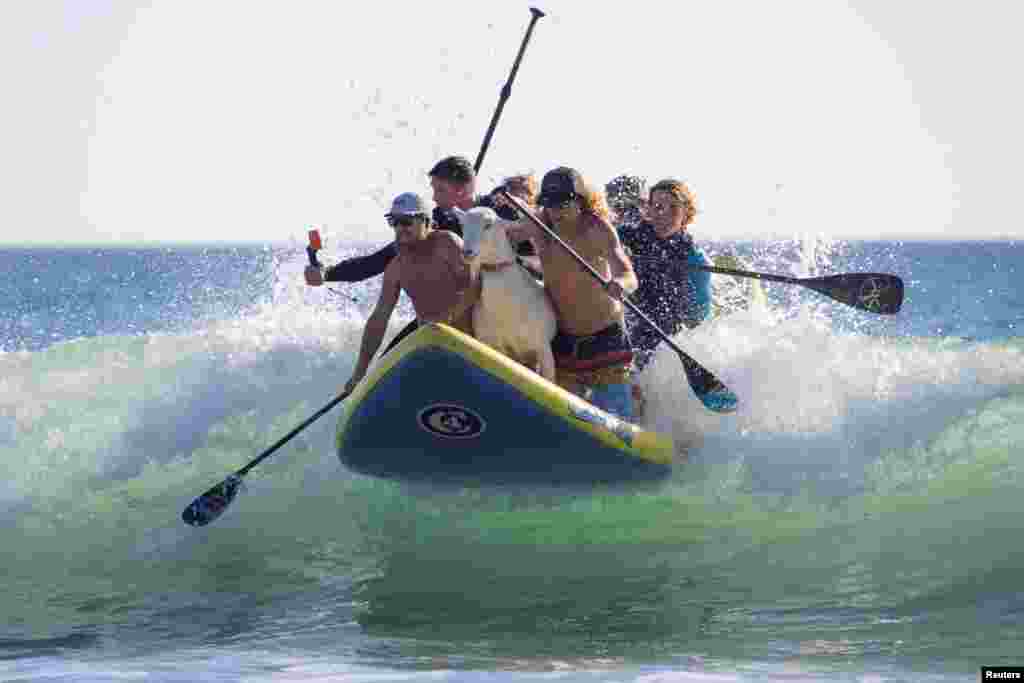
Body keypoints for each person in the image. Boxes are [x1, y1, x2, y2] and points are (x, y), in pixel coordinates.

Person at [505, 167, 639, 421]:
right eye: (549, 204)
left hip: (606, 342)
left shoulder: (597, 227)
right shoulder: (538, 223)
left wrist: (620, 283)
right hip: (563, 343)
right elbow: (500, 232)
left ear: (580, 200)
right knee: (562, 421)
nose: (555, 211)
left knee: (616, 422)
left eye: (562, 204)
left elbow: (629, 274)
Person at [343, 192, 478, 393]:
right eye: (394, 222)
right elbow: (379, 319)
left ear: (426, 222)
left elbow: (477, 286)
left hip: (472, 345)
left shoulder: (447, 244)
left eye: (406, 222)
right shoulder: (396, 268)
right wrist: (359, 374)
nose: (399, 229)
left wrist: (447, 319)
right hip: (433, 348)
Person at [618, 178, 711, 376]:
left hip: (665, 336)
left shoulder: (694, 258)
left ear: (686, 213)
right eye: (658, 206)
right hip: (628, 324)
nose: (664, 214)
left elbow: (699, 316)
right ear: (648, 210)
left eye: (673, 208)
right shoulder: (628, 236)